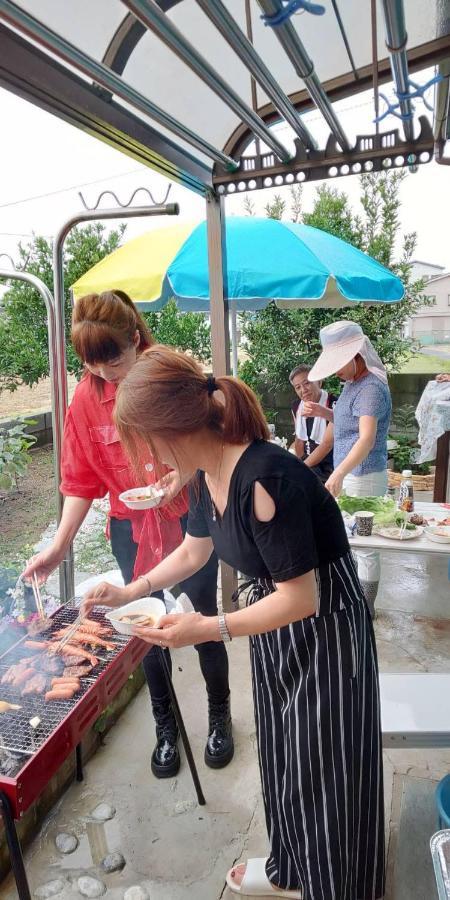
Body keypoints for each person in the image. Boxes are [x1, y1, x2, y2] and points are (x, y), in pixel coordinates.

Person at [82, 345, 385, 900]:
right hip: (270, 623)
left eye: (144, 441)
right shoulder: (202, 472)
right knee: (282, 750)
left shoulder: (267, 479)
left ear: (170, 428)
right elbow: (194, 551)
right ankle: (290, 865)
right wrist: (132, 588)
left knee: (328, 763)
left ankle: (338, 884)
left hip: (326, 628)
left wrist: (208, 627)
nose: (146, 456)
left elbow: (301, 598)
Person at [23, 291, 233, 777]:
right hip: (131, 528)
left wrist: (178, 476)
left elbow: (208, 439)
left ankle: (219, 716)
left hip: (188, 516)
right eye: (92, 364)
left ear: (136, 338)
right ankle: (166, 726)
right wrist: (59, 546)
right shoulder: (85, 398)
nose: (104, 374)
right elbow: (80, 481)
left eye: (112, 359)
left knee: (200, 621)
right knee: (142, 625)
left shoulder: (167, 373)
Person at [306, 320, 392, 614]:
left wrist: (339, 472)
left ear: (358, 355)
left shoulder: (371, 388)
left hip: (363, 475)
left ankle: (366, 609)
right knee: (353, 539)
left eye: (341, 363)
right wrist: (323, 411)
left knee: (366, 546)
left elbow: (366, 438)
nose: (337, 371)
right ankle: (356, 600)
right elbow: (349, 423)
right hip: (352, 472)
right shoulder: (353, 383)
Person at [289, 363, 335, 482]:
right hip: (308, 466)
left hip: (330, 469)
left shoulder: (334, 404)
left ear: (319, 382)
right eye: (298, 387)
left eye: (307, 383)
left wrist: (301, 468)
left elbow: (327, 445)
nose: (303, 390)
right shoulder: (296, 407)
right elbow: (299, 440)